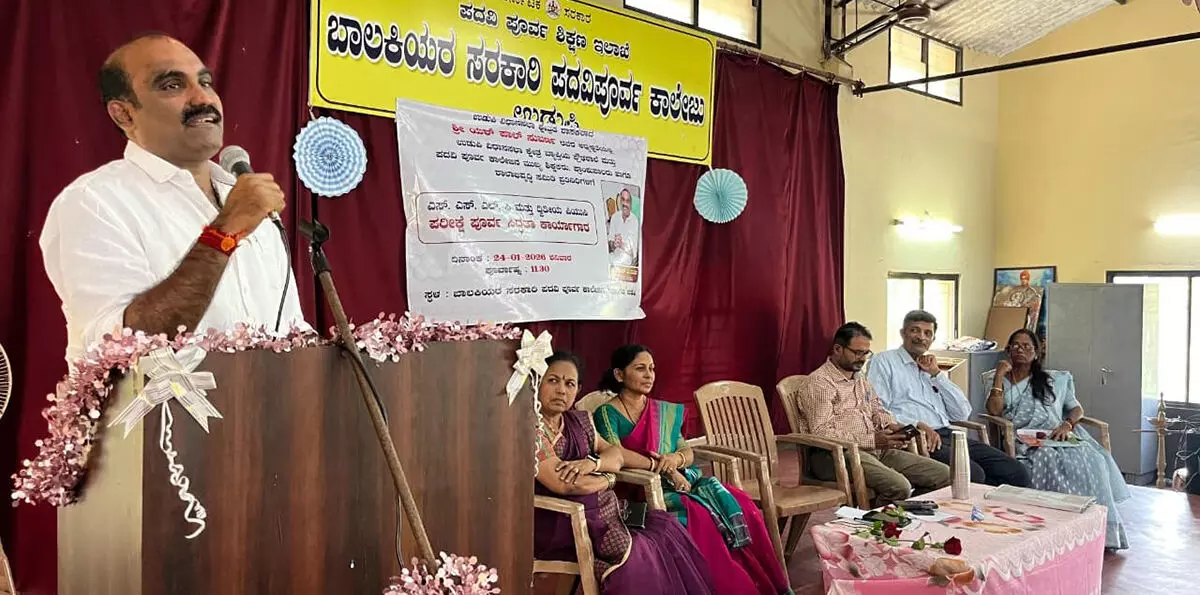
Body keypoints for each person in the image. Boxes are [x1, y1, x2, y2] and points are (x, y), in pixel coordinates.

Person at [40, 33, 307, 362]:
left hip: (267, 397)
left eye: (205, 82)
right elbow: (119, 349)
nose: (203, 98)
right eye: (172, 85)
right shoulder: (94, 202)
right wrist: (224, 232)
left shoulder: (245, 201)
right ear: (124, 114)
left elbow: (292, 333)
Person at [593, 345, 793, 595]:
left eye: (652, 369)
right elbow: (615, 455)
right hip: (638, 490)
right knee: (698, 513)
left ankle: (762, 582)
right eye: (640, 368)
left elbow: (686, 452)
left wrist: (675, 460)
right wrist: (666, 470)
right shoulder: (606, 413)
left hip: (681, 481)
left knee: (742, 502)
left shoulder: (662, 411)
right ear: (619, 374)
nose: (649, 375)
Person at [534, 351, 715, 594]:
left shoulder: (580, 421)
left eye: (570, 384)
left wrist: (594, 464)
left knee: (665, 530)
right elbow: (566, 484)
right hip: (559, 520)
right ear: (536, 383)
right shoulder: (530, 428)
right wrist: (609, 478)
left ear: (578, 389)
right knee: (637, 550)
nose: (561, 390)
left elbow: (616, 454)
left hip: (600, 512)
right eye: (553, 380)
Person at [986, 330, 1130, 550]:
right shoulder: (1001, 379)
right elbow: (994, 411)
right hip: (1022, 438)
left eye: (1027, 346)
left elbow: (1076, 409)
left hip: (1057, 434)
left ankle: (1092, 530)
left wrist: (1067, 424)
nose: (1020, 350)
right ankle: (1050, 531)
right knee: (1045, 457)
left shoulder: (1054, 381)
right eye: (1015, 345)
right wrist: (998, 376)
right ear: (1008, 350)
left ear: (1036, 353)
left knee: (1093, 459)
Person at [868, 310, 1031, 488]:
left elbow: (962, 413)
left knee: (1015, 471)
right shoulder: (884, 361)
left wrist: (936, 374)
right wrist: (916, 425)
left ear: (932, 339)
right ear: (903, 333)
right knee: (974, 474)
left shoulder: (929, 367)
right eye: (915, 330)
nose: (921, 337)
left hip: (947, 434)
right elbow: (877, 409)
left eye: (928, 333)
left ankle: (995, 505)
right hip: (917, 438)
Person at [799, 323, 951, 506]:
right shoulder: (820, 383)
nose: (862, 359)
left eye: (866, 353)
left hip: (875, 449)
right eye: (857, 353)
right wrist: (872, 440)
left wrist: (892, 426)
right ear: (838, 349)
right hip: (835, 455)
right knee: (899, 487)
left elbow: (877, 410)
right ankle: (873, 519)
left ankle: (894, 514)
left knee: (943, 475)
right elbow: (821, 432)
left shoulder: (859, 378)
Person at [606, 189, 640, 267]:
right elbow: (610, 242)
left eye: (627, 201)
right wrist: (614, 244)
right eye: (623, 200)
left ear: (631, 204)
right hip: (614, 255)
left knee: (616, 264)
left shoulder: (634, 221)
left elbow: (634, 254)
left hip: (627, 258)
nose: (625, 203)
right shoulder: (615, 217)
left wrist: (622, 245)